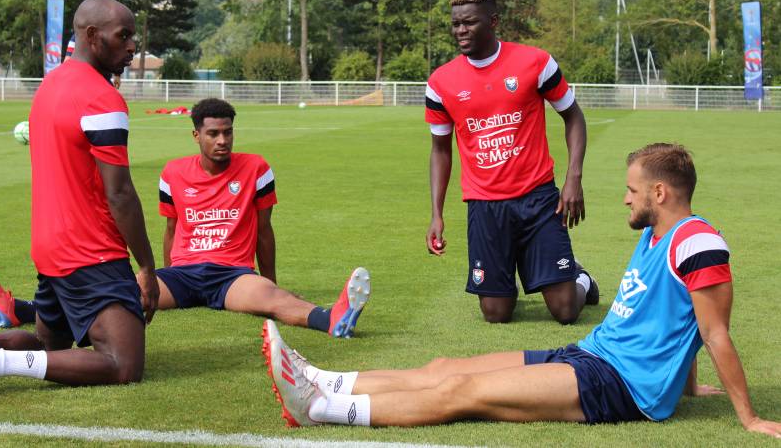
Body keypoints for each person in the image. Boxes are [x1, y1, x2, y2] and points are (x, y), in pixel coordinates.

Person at [264, 143, 781, 438]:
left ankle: (320, 408)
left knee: (461, 394)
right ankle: (320, 377)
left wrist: (750, 417)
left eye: (632, 189)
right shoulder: (655, 233)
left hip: (619, 385)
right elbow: (674, 319)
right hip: (592, 356)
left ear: (660, 192)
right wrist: (688, 386)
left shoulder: (700, 244)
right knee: (443, 368)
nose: (625, 199)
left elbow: (713, 333)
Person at [0, 98, 370, 339]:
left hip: (232, 276)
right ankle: (17, 310)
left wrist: (269, 277)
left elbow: (265, 231)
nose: (223, 140)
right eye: (213, 133)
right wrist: (162, 276)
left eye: (228, 132)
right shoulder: (173, 173)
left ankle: (334, 318)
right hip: (183, 273)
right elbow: (172, 229)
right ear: (196, 135)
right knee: (119, 300)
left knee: (276, 302)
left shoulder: (256, 168)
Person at [0, 0, 160, 401]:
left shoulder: (50, 85)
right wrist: (148, 267)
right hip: (90, 250)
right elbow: (119, 194)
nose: (133, 46)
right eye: (124, 36)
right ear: (92, 35)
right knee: (123, 363)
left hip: (50, 248)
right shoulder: (103, 98)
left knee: (50, 349)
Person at [425, 0, 597, 324]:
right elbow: (440, 150)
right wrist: (437, 213)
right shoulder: (441, 82)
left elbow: (573, 116)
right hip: (485, 206)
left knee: (564, 311)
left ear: (493, 20)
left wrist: (573, 178)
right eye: (456, 23)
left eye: (470, 22)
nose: (461, 30)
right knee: (495, 313)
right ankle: (510, 280)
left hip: (538, 198)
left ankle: (580, 279)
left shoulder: (535, 62)